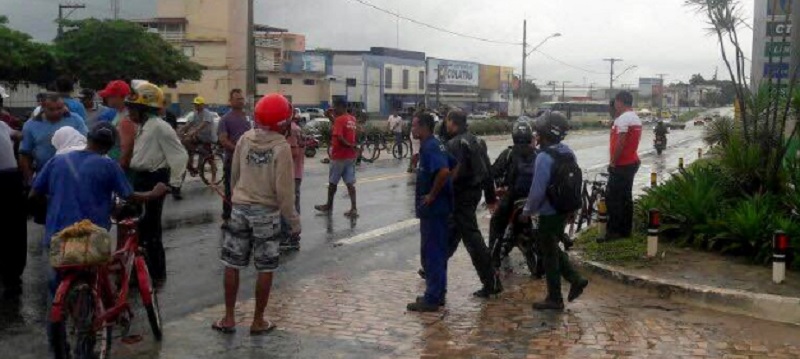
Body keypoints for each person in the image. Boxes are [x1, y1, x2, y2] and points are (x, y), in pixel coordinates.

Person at [30, 122, 170, 293]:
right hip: (92, 234)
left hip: (58, 233)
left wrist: (54, 208)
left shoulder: (56, 161)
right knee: (98, 279)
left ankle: (56, 316)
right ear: (110, 147)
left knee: (57, 286)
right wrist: (154, 193)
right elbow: (130, 196)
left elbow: (34, 195)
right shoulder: (109, 165)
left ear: (88, 138)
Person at [212, 93, 300, 335]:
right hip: (266, 214)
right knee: (265, 268)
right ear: (283, 121)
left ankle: (229, 318)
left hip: (240, 208)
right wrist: (294, 222)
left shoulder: (245, 139)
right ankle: (257, 321)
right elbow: (284, 192)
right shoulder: (281, 148)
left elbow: (234, 175)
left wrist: (235, 200)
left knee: (232, 264)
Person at [522, 112, 589, 311]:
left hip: (549, 212)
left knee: (549, 254)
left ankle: (555, 297)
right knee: (551, 247)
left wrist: (527, 211)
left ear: (544, 134)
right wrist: (572, 209)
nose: (536, 135)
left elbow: (537, 191)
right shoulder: (567, 152)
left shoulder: (543, 157)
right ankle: (576, 279)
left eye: (538, 132)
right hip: (563, 209)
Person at [127, 81, 189, 284]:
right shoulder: (144, 126)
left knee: (151, 229)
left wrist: (173, 183)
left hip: (154, 179)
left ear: (144, 108)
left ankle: (156, 274)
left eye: (132, 108)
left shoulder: (160, 127)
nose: (129, 111)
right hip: (141, 178)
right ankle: (141, 271)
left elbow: (179, 156)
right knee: (140, 228)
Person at [443, 110, 502, 298]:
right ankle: (433, 266)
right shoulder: (477, 141)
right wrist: (490, 197)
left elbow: (454, 174)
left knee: (472, 238)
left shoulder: (456, 144)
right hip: (473, 193)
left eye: (447, 121)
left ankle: (491, 280)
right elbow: (487, 171)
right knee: (455, 230)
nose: (446, 125)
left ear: (453, 123)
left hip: (461, 194)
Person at [407, 112, 453, 312]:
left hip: (434, 211)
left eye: (415, 126)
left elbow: (444, 171)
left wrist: (433, 195)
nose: (412, 129)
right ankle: (438, 293)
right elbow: (453, 166)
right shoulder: (436, 144)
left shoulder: (431, 147)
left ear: (424, 126)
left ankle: (432, 298)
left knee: (432, 254)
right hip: (439, 210)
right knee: (437, 253)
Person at [488, 121, 537, 256]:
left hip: (513, 197)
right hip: (535, 197)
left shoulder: (508, 153)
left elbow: (493, 172)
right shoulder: (537, 154)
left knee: (496, 224)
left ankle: (493, 259)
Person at [19, 93, 88, 186]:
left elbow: (86, 144)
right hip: (44, 176)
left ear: (64, 106)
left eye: (59, 108)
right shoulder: (30, 125)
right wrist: (30, 179)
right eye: (51, 109)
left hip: (73, 175)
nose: (56, 112)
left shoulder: (75, 120)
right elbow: (24, 154)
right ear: (43, 107)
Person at [606, 91, 643, 241]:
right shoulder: (635, 118)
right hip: (631, 162)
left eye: (615, 102)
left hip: (622, 164)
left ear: (620, 102)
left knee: (613, 199)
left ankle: (614, 231)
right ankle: (625, 231)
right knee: (626, 198)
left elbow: (621, 142)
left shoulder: (623, 119)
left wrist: (613, 162)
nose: (615, 105)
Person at [314, 98, 359, 218]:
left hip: (339, 156)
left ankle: (329, 205)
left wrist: (349, 145)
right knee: (350, 183)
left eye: (335, 107)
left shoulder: (340, 119)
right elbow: (339, 126)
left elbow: (339, 137)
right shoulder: (351, 119)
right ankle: (354, 208)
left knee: (333, 183)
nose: (334, 109)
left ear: (340, 107)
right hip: (350, 156)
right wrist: (330, 117)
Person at [218, 89, 252, 226]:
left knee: (248, 189)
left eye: (241, 98)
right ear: (230, 102)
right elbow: (223, 140)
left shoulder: (249, 117)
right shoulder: (225, 119)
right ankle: (227, 217)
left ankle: (246, 216)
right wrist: (239, 150)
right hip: (232, 160)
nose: (241, 101)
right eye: (237, 99)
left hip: (249, 161)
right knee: (230, 190)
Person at [0, 119, 26, 298]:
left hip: (9, 179)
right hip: (8, 179)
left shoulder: (2, 124)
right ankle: (11, 277)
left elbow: (18, 134)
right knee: (12, 230)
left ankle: (12, 277)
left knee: (13, 230)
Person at [280, 106, 304, 250]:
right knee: (293, 203)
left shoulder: (290, 129)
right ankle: (293, 234)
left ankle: (288, 235)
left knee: (287, 204)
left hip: (291, 172)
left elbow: (293, 153)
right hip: (295, 172)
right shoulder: (294, 128)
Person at [97, 80, 135, 168]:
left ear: (119, 96)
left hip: (122, 163)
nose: (106, 98)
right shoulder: (119, 112)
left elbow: (127, 145)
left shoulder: (128, 115)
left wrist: (120, 164)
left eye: (109, 96)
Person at [180, 96, 217, 175]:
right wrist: (181, 130)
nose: (196, 106)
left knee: (187, 140)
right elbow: (190, 123)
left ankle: (202, 152)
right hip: (199, 136)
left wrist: (193, 132)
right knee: (187, 146)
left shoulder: (207, 113)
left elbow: (203, 125)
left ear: (202, 105)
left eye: (198, 104)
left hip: (207, 137)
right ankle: (192, 166)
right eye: (195, 104)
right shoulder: (195, 113)